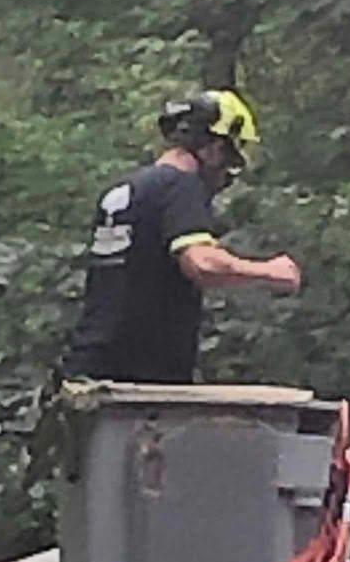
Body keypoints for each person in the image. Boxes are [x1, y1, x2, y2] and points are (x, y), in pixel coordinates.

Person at [61, 89, 301, 385]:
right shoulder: (181, 186)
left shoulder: (125, 190)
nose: (227, 172)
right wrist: (269, 272)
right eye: (230, 157)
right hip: (141, 387)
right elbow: (201, 263)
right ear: (213, 148)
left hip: (86, 370)